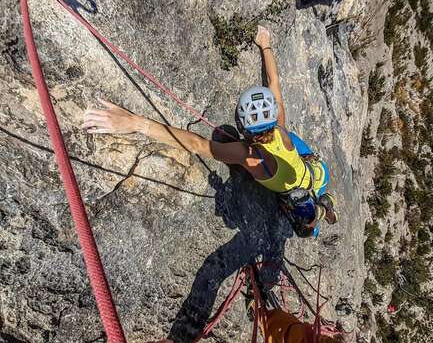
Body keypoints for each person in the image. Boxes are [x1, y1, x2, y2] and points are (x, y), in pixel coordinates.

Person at [82, 26, 337, 234]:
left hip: (298, 186)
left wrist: (136, 123)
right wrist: (266, 44)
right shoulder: (280, 127)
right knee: (299, 162)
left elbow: (197, 145)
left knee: (306, 225)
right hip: (314, 169)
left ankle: (320, 211)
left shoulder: (250, 155)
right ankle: (322, 198)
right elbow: (274, 82)